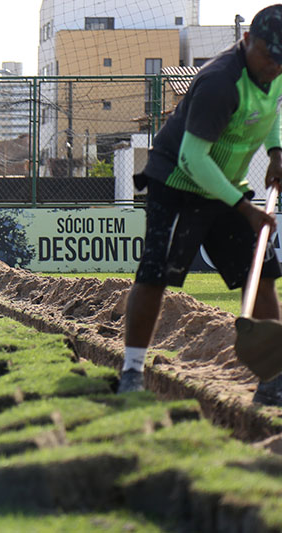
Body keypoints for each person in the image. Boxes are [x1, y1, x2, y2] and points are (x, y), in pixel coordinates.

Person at [119, 5, 282, 405]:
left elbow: (269, 110)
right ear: (247, 41)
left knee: (260, 276)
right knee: (156, 273)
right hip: (177, 183)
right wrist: (245, 209)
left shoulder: (274, 73)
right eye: (267, 54)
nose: (273, 66)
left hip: (226, 183)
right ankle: (132, 370)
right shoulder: (218, 83)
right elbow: (194, 158)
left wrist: (276, 152)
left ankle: (274, 377)